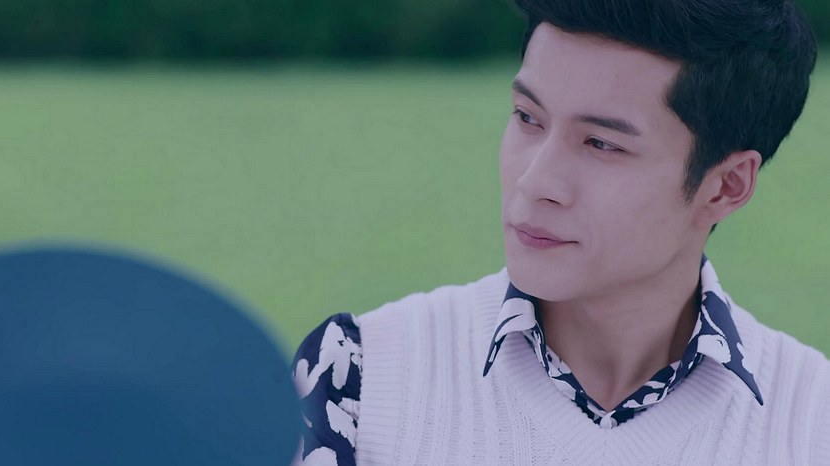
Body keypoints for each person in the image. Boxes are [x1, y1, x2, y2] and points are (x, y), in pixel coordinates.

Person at [292, 0, 829, 464]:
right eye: (528, 117)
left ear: (726, 186)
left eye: (601, 144)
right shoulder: (357, 376)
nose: (535, 181)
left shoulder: (814, 424)